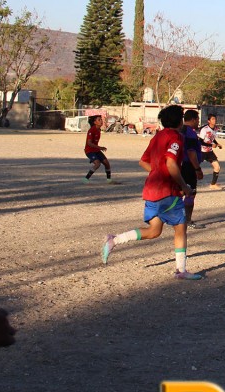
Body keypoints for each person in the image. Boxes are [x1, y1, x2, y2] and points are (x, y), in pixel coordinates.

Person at [101, 104, 204, 280]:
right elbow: (171, 163)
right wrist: (184, 186)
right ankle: (181, 270)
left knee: (154, 231)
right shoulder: (175, 138)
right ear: (179, 121)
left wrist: (157, 173)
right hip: (167, 192)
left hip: (151, 190)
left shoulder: (157, 137)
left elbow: (143, 161)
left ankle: (114, 240)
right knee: (181, 228)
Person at [181, 110, 206, 229]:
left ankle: (177, 218)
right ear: (193, 119)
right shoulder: (190, 132)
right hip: (188, 166)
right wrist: (197, 169)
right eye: (197, 119)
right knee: (190, 193)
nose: (198, 122)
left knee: (179, 191)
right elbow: (191, 152)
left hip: (180, 165)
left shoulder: (181, 130)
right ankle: (187, 220)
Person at [83, 115, 116, 184]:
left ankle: (109, 180)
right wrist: (100, 147)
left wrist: (98, 148)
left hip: (96, 150)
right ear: (95, 122)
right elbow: (89, 143)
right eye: (99, 120)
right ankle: (85, 179)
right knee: (97, 164)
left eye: (101, 119)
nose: (101, 121)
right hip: (89, 151)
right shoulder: (91, 130)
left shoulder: (99, 130)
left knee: (107, 163)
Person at [199, 114, 225, 190]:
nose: (214, 120)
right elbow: (200, 141)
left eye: (215, 119)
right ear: (209, 121)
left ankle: (213, 184)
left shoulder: (215, 129)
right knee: (194, 167)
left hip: (209, 152)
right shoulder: (204, 129)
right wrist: (211, 145)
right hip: (202, 151)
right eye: (213, 119)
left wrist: (217, 144)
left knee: (217, 167)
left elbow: (212, 138)